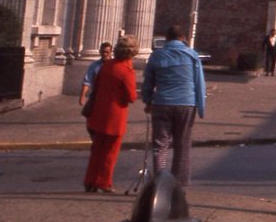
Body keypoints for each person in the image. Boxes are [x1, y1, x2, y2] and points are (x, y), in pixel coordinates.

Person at [142, 25, 206, 185]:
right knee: (183, 144)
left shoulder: (157, 56)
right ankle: (180, 184)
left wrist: (148, 100)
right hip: (186, 103)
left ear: (167, 38)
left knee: (160, 145)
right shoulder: (192, 55)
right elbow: (200, 82)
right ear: (183, 38)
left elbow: (148, 82)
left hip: (162, 102)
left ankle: (160, 182)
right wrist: (200, 106)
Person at [83, 36, 137, 193]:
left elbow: (96, 85)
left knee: (97, 150)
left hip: (98, 112)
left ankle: (90, 180)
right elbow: (131, 97)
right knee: (110, 153)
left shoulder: (106, 66)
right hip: (115, 116)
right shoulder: (126, 71)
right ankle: (104, 182)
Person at [80, 41, 112, 135]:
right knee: (89, 118)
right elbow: (87, 81)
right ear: (99, 52)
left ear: (111, 52)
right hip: (96, 97)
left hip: (109, 98)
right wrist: (83, 96)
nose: (104, 54)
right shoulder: (94, 66)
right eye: (102, 52)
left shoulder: (114, 66)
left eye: (107, 52)